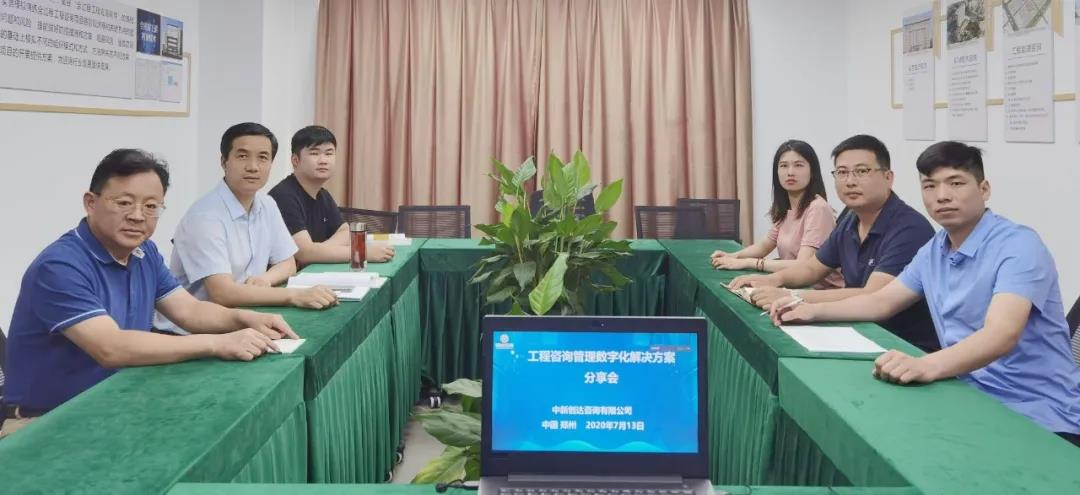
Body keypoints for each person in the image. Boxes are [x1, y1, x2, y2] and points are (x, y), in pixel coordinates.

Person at [773, 141, 1080, 446]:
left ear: (984, 189)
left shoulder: (1019, 246)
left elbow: (1001, 333)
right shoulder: (935, 249)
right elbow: (881, 301)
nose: (942, 196)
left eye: (956, 183)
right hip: (967, 394)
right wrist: (809, 309)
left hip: (1039, 414)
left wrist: (926, 365)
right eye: (930, 186)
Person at [1, 149, 297, 438]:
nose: (137, 216)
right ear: (91, 203)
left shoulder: (144, 252)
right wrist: (218, 343)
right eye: (124, 203)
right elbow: (110, 348)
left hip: (114, 403)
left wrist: (245, 319)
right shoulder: (60, 266)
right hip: (46, 422)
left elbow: (189, 311)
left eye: (152, 206)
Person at [729, 135, 939, 352]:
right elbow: (812, 268)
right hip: (858, 331)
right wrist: (772, 280)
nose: (850, 181)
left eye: (862, 171)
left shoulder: (909, 228)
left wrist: (793, 296)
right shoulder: (850, 219)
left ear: (888, 177)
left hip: (905, 346)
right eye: (842, 172)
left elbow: (874, 295)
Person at [167, 123, 338, 311]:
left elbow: (287, 263)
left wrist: (265, 280)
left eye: (263, 158)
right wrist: (295, 295)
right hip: (196, 324)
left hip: (246, 312)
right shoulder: (204, 217)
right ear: (224, 162)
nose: (253, 167)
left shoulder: (267, 204)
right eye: (242, 156)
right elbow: (222, 293)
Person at [711, 140, 843, 289]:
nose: (790, 172)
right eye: (784, 166)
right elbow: (765, 245)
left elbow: (803, 265)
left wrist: (750, 262)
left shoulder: (818, 208)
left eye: (798, 165)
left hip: (820, 292)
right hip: (792, 285)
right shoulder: (787, 207)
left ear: (812, 172)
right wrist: (732, 256)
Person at [268, 125, 394, 266]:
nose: (323, 160)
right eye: (314, 153)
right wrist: (360, 252)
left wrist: (317, 252)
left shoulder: (322, 194)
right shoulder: (283, 196)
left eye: (329, 153)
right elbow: (303, 253)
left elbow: (345, 231)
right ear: (295, 160)